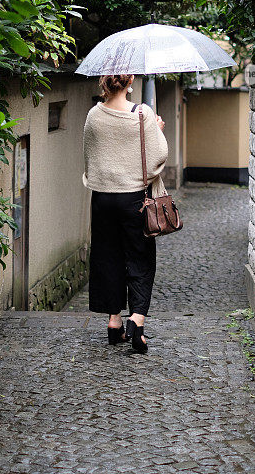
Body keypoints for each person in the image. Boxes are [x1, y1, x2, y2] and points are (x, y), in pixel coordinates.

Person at [82, 73, 168, 353]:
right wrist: (158, 129)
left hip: (102, 197)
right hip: (134, 198)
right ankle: (137, 322)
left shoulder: (94, 115)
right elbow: (158, 157)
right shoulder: (142, 113)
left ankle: (114, 320)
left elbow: (89, 155)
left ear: (103, 83)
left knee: (108, 256)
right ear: (130, 82)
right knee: (140, 257)